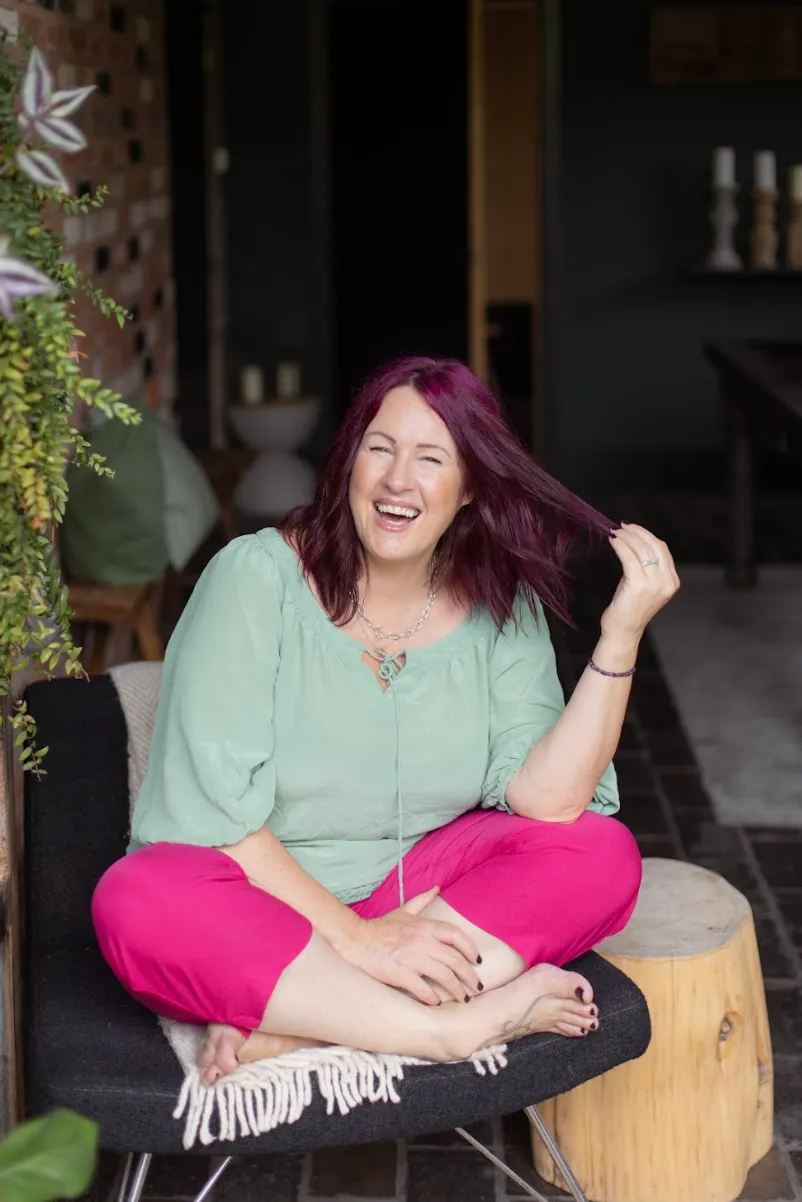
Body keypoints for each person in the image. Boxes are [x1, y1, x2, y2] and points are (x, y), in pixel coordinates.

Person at [92, 356, 678, 1088]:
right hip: (255, 893)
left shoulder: (502, 605)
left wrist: (620, 635)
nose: (399, 480)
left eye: (431, 459)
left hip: (421, 893)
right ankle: (447, 1028)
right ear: (349, 463)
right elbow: (216, 816)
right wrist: (362, 941)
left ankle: (306, 1021)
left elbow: (549, 801)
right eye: (381, 448)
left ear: (470, 488)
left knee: (599, 852)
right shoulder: (254, 579)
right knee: (136, 898)